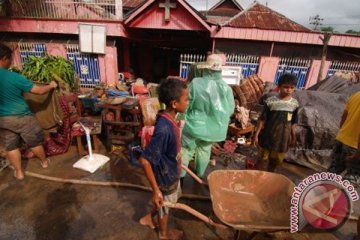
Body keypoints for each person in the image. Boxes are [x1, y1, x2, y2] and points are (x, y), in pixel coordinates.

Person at [138, 78, 189, 240]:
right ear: (174, 103)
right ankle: (163, 234)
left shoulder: (168, 118)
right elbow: (145, 160)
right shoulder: (164, 129)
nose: (188, 102)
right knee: (164, 207)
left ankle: (148, 219)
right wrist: (156, 190)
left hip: (172, 171)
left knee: (167, 202)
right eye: (186, 99)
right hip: (165, 178)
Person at [0, 43, 58, 180]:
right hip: (22, 117)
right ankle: (44, 162)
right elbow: (38, 91)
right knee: (34, 142)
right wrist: (51, 85)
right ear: (4, 59)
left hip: (3, 120)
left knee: (11, 145)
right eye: (10, 59)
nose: (11, 62)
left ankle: (19, 173)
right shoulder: (13, 77)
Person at [181, 53, 235, 178]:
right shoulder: (227, 88)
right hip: (214, 129)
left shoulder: (195, 83)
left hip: (192, 125)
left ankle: (181, 176)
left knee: (186, 150)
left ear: (205, 68)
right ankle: (199, 174)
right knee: (204, 151)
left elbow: (185, 103)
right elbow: (230, 110)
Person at [253, 74, 299, 172]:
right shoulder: (270, 101)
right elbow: (262, 119)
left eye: (291, 88)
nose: (289, 90)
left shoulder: (294, 104)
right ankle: (258, 178)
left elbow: (293, 122)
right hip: (268, 137)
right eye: (286, 87)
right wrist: (256, 135)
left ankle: (270, 178)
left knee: (276, 162)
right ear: (279, 87)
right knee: (262, 160)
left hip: (283, 140)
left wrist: (293, 137)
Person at [329, 91, 360, 184]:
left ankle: (320, 195)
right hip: (355, 146)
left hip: (341, 139)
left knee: (332, 173)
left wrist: (342, 134)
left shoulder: (356, 95)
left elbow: (343, 117)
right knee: (351, 181)